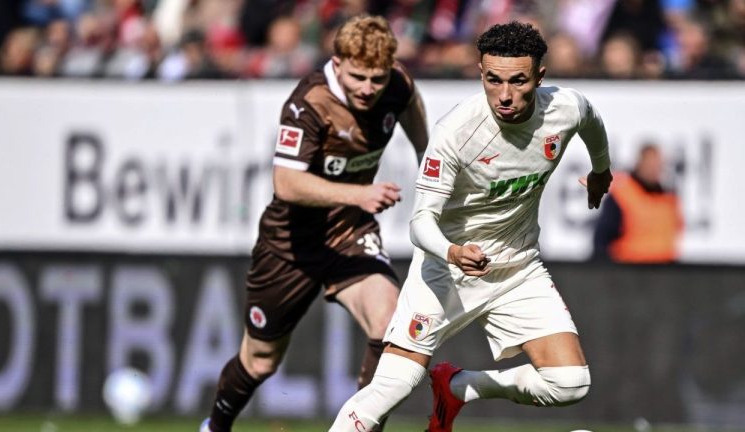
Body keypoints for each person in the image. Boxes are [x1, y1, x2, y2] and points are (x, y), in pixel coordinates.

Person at [329, 20, 613, 432]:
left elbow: (591, 120)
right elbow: (420, 221)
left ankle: (458, 387)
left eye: (518, 81)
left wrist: (602, 170)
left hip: (517, 269)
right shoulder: (455, 132)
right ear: (481, 73)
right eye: (493, 80)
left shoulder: (564, 107)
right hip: (447, 272)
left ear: (540, 76)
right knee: (394, 385)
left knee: (570, 384)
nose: (505, 95)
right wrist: (452, 252)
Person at [200, 14, 429, 432]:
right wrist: (359, 194)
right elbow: (286, 183)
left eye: (377, 80)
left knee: (391, 325)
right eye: (358, 77)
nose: (368, 89)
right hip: (290, 245)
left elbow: (411, 102)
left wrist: (427, 158)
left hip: (350, 233)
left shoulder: (396, 83)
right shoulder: (309, 103)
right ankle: (214, 426)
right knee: (260, 361)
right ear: (337, 63)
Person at [593, 143, 683, 263]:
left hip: (664, 272)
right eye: (650, 164)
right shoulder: (622, 196)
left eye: (657, 164)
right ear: (639, 164)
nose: (654, 169)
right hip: (631, 273)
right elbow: (602, 241)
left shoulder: (669, 200)